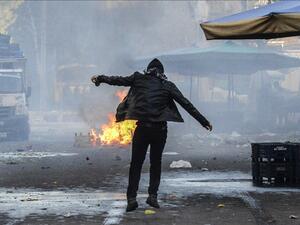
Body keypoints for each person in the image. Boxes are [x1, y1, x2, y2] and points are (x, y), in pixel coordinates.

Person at [91, 58, 212, 212]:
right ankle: (152, 196)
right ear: (162, 73)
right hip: (159, 130)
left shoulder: (138, 78)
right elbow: (186, 104)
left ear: (147, 70)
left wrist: (100, 78)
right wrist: (204, 121)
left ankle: (131, 199)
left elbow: (117, 80)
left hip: (142, 129)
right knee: (156, 163)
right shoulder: (167, 85)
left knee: (136, 163)